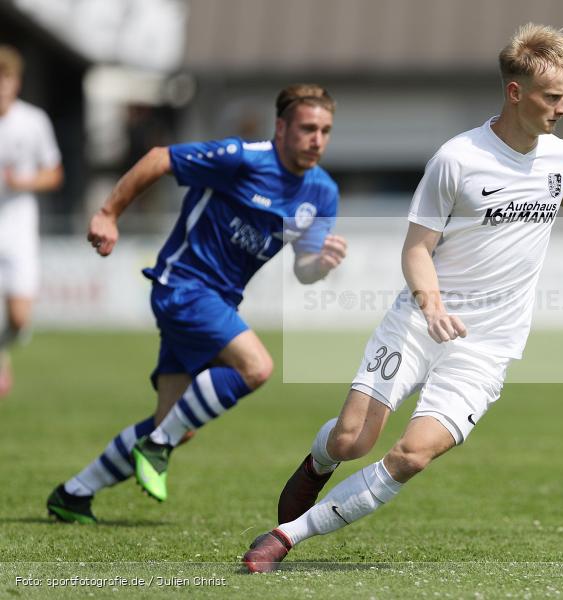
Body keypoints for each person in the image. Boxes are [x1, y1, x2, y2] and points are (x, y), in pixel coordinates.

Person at [243, 24, 563, 572]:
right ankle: (317, 461)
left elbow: (560, 184)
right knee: (355, 439)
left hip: (488, 345)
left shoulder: (560, 154)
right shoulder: (457, 160)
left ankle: (286, 537)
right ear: (515, 93)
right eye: (553, 97)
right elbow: (415, 248)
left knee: (412, 455)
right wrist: (430, 302)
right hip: (422, 321)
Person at [46, 84, 347, 523]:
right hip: (183, 284)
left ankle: (74, 493)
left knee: (174, 423)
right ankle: (157, 445)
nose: (317, 139)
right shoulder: (241, 158)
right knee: (256, 367)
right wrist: (109, 213)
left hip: (219, 299)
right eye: (307, 128)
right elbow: (158, 159)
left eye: (325, 130)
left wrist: (321, 263)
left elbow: (304, 268)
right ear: (281, 127)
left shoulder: (323, 192)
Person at [0, 45, 64, 397]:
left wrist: (24, 182)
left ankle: (1, 349)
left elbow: (54, 174)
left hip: (19, 231)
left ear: (16, 83)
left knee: (20, 319)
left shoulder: (33, 121)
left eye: (4, 78)